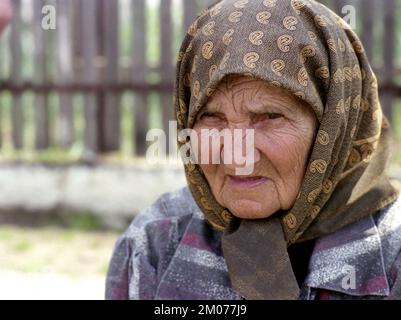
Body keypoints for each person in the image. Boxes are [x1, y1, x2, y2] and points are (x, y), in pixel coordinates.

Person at [106, 0, 401, 300]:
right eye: (211, 117)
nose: (236, 156)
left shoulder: (394, 251)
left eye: (270, 117)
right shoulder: (155, 243)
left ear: (335, 127)